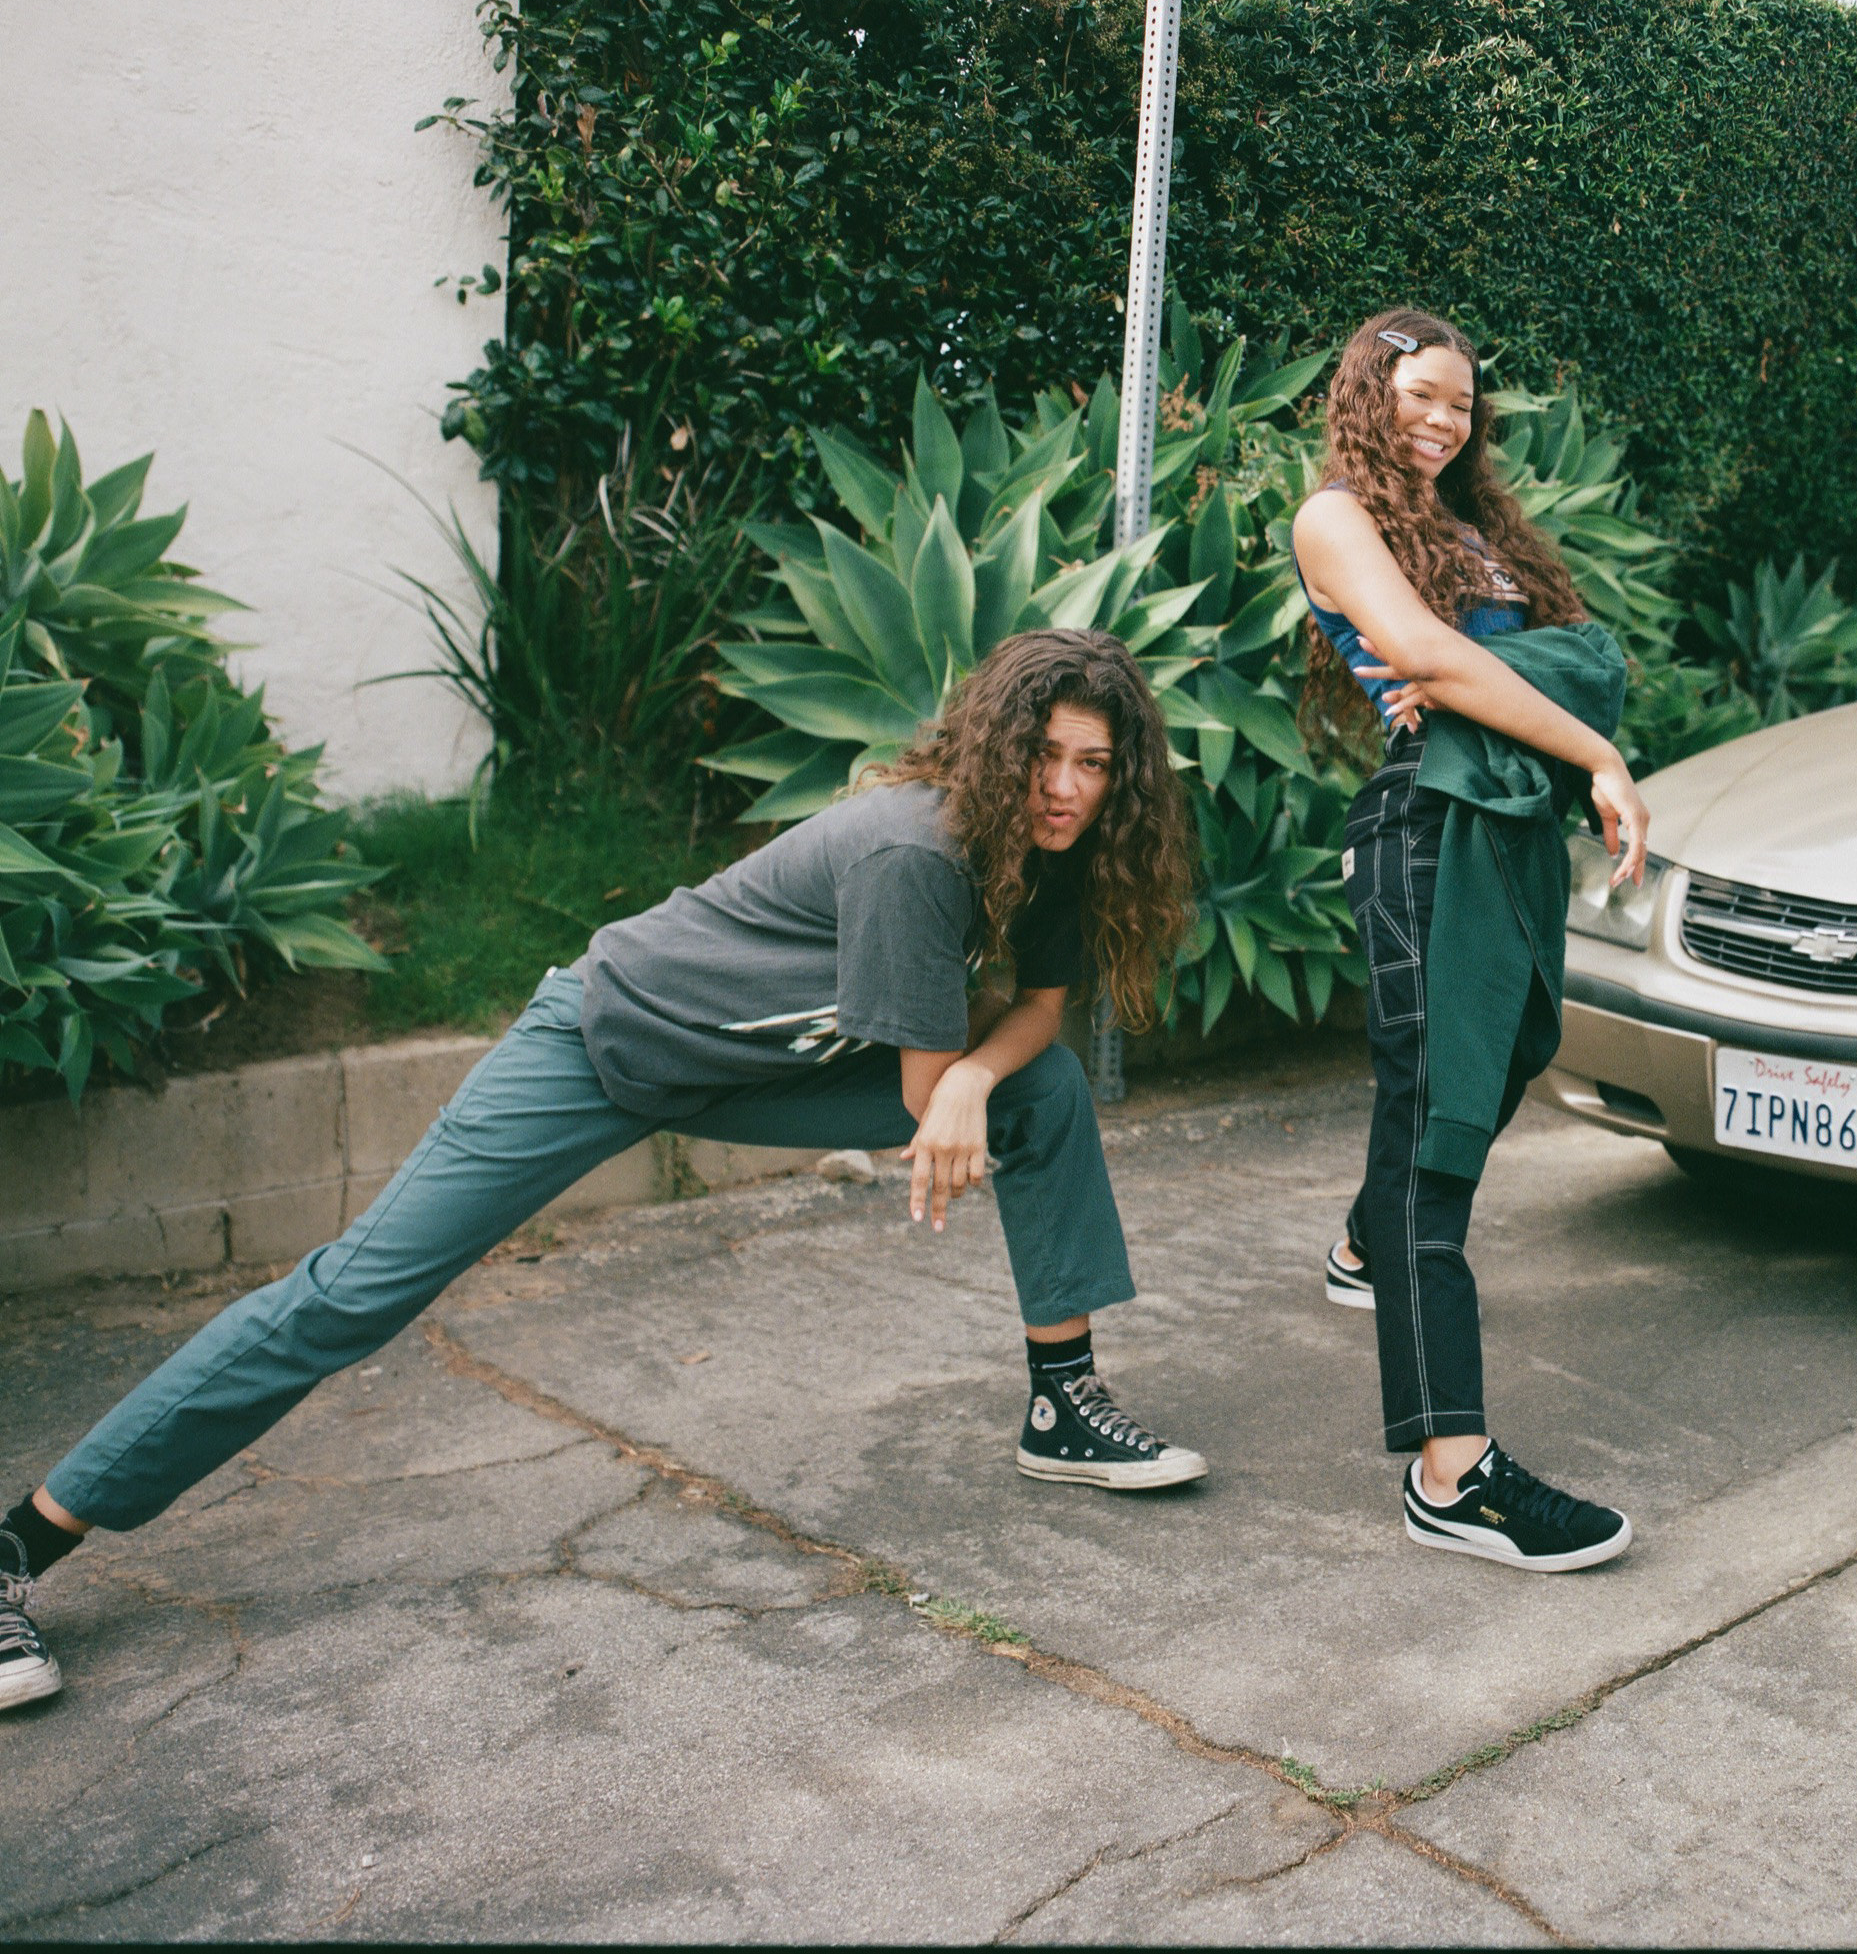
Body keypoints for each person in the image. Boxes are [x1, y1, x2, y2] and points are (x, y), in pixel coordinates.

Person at [0, 627, 1202, 1711]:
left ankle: (1064, 1402)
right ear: (996, 745)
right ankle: (18, 1550)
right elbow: (913, 1091)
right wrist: (956, 1083)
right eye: (1045, 754)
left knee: (1032, 1086)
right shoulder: (916, 852)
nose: (1064, 787)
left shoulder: (1049, 851)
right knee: (352, 1294)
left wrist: (981, 1080)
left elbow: (1040, 1011)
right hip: (600, 1046)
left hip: (751, 1070)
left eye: (1095, 765)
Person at [1290, 308, 1650, 1574]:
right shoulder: (1338, 516)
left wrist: (1541, 689)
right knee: (1435, 1141)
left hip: (1510, 829)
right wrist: (1587, 741)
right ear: (1369, 396)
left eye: (1462, 406)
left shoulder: (1476, 530)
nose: (1443, 422)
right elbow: (1426, 654)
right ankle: (1453, 1472)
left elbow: (1586, 656)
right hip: (1426, 823)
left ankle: (1362, 1239)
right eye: (1422, 398)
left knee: (1513, 1051)